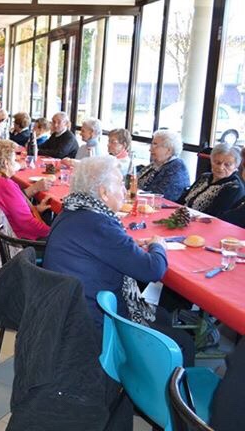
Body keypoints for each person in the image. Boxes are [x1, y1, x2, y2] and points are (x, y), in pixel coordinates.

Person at [44, 156, 194, 364]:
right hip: (93, 322)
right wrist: (158, 245)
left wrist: (130, 247)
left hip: (68, 310)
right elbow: (153, 270)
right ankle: (148, 379)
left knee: (162, 316)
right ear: (103, 193)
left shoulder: (72, 210)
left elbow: (105, 248)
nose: (125, 191)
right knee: (184, 342)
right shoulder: (98, 224)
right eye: (120, 184)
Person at [0, 140, 51, 240]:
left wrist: (36, 209)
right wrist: (52, 232)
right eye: (14, 160)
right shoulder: (5, 186)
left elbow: (11, 210)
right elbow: (26, 223)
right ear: (6, 163)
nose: (17, 162)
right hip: (17, 239)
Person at [177, 143, 244, 217]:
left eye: (227, 165)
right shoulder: (204, 177)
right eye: (217, 163)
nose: (221, 167)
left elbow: (215, 216)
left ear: (236, 167)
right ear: (211, 161)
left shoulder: (234, 188)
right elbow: (181, 200)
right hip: (181, 217)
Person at [138, 129, 190, 201]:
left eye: (155, 144)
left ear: (169, 150)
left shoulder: (176, 167)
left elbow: (161, 197)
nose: (150, 149)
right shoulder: (155, 164)